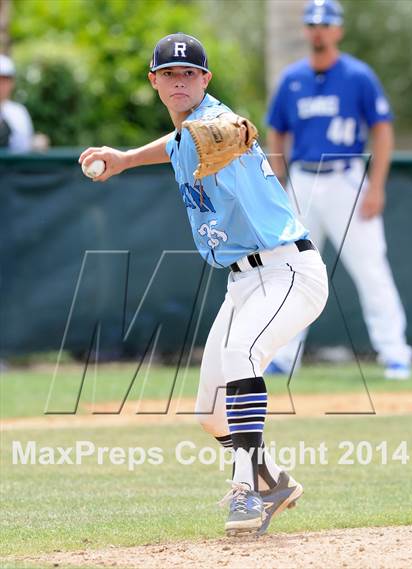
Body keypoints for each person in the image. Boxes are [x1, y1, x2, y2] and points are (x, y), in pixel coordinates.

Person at [80, 33, 328, 536]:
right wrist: (126, 158)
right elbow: (178, 142)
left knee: (243, 352)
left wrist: (233, 129)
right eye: (169, 74)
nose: (179, 81)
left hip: (288, 271)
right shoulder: (183, 135)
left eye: (189, 73)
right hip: (242, 284)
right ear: (154, 81)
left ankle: (246, 493)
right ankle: (274, 481)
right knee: (210, 414)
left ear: (205, 80)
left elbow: (227, 128)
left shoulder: (217, 122)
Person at [266, 0, 412, 380]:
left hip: (346, 177)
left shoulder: (357, 75)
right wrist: (278, 181)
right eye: (312, 23)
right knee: (294, 271)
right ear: (305, 29)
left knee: (370, 268)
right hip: (303, 179)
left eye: (325, 24)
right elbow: (277, 130)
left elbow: (382, 129)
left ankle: (395, 352)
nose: (318, 30)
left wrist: (376, 185)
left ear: (338, 29)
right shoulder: (292, 78)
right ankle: (284, 355)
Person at [0, 54, 34, 153]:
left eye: (5, 80)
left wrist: (36, 142)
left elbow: (25, 146)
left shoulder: (19, 111)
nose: (1, 85)